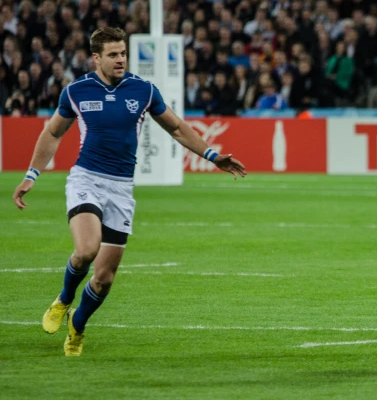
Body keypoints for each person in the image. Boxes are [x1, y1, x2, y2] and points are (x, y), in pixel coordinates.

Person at [11, 27, 247, 356]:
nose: (120, 59)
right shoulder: (76, 92)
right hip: (86, 180)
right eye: (113, 54)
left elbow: (176, 127)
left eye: (123, 53)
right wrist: (31, 175)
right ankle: (64, 298)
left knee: (104, 279)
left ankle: (77, 324)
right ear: (96, 58)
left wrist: (212, 155)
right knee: (86, 251)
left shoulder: (144, 90)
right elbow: (52, 134)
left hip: (121, 189)